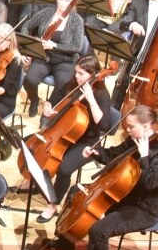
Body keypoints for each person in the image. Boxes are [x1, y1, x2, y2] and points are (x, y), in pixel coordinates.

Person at [73, 104, 158, 250]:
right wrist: (96, 152)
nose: (127, 129)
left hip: (143, 210)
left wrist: (144, 157)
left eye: (132, 126)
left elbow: (150, 183)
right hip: (123, 198)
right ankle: (67, 241)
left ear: (147, 127)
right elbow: (113, 155)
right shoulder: (134, 140)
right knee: (77, 192)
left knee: (99, 230)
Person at [33, 55, 114, 224]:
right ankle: (34, 184)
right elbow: (53, 100)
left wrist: (91, 100)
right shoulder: (72, 84)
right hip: (65, 133)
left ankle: (53, 205)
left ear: (93, 74)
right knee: (35, 145)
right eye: (76, 72)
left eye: (81, 73)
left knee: (64, 169)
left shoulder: (101, 94)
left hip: (87, 142)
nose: (77, 76)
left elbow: (106, 126)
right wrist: (47, 107)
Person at [21, 0, 85, 118]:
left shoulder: (76, 19)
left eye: (67, 0)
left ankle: (49, 108)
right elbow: (26, 26)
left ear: (73, 1)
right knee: (29, 80)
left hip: (65, 60)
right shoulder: (47, 12)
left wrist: (54, 46)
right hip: (44, 57)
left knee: (64, 83)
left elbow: (77, 47)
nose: (63, 3)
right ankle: (34, 100)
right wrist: (28, 48)